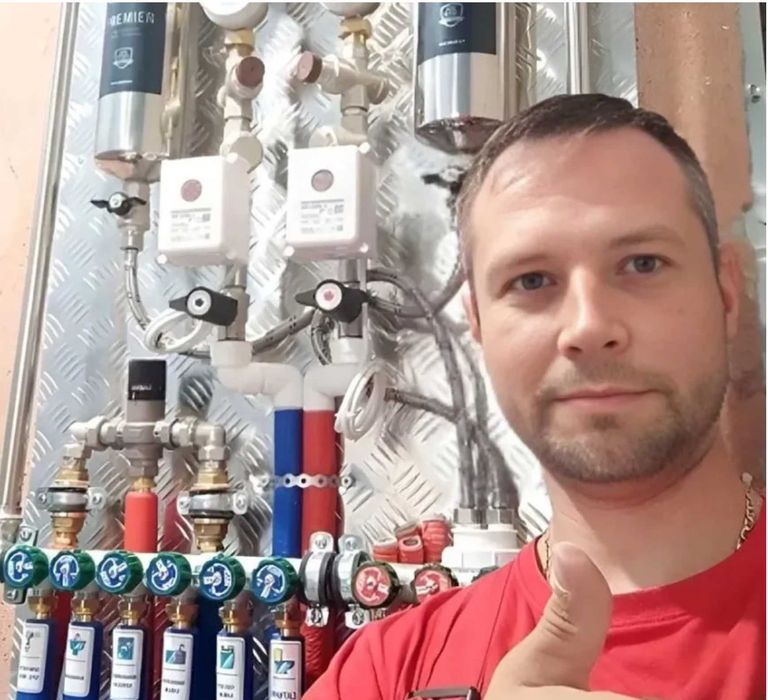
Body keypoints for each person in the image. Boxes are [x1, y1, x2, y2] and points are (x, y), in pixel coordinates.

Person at [304, 94, 766, 700]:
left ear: (726, 292)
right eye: (531, 280)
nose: (588, 326)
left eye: (643, 263)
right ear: (477, 321)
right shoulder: (387, 671)